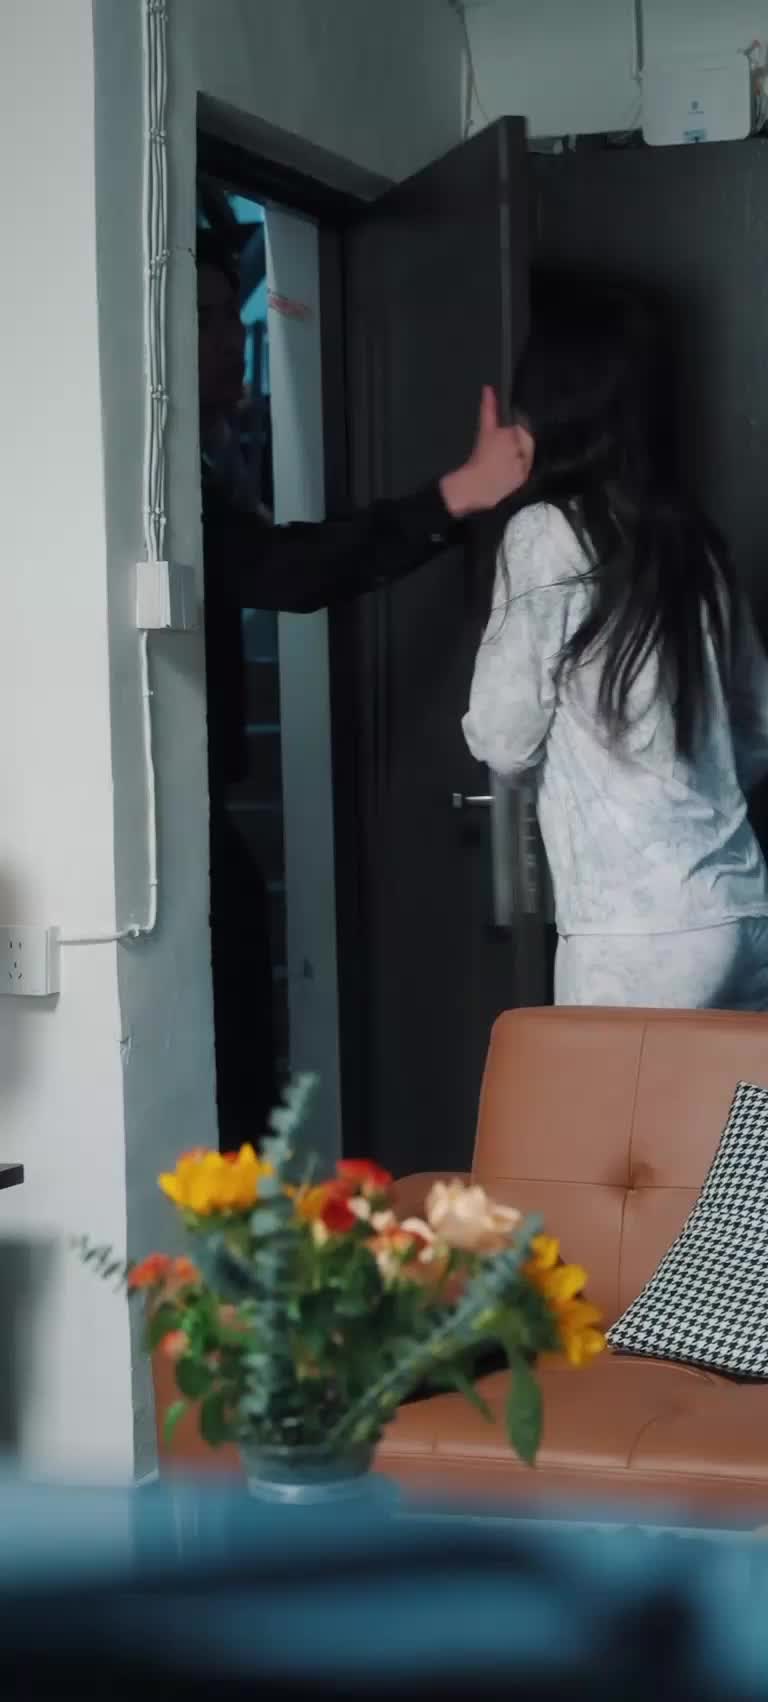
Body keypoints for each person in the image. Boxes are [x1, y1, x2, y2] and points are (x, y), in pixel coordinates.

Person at [197, 226, 532, 1146]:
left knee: (242, 1085)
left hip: (209, 829)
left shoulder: (205, 469)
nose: (230, 339)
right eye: (212, 319)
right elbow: (283, 569)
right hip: (183, 839)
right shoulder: (166, 481)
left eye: (229, 315)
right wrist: (458, 494)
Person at [462, 279, 768, 1012]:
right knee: (728, 1099)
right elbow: (767, 730)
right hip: (742, 912)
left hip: (636, 936)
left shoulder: (545, 534)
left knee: (607, 1098)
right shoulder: (690, 541)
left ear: (553, 409)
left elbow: (503, 739)